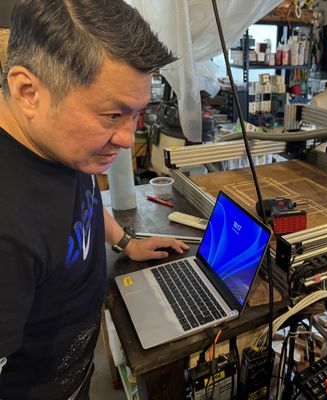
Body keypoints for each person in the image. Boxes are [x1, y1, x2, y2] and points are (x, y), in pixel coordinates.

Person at [0, 1, 190, 399]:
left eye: (137, 114)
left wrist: (125, 241)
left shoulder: (59, 143)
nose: (127, 138)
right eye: (112, 115)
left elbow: (82, 201)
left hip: (76, 375)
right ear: (28, 91)